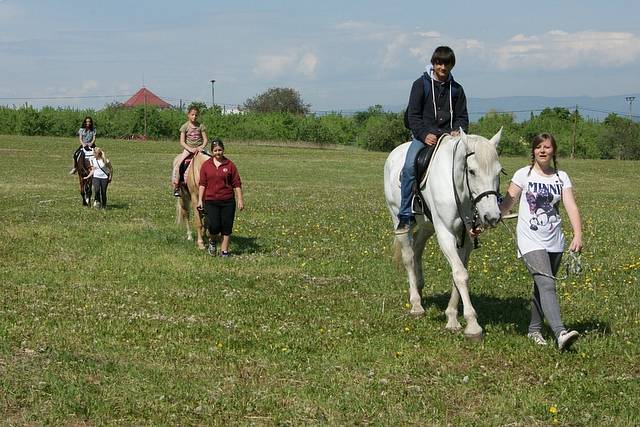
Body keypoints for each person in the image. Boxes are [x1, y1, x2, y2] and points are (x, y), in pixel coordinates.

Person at [499, 133, 583, 351]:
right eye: (538, 147)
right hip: (530, 240)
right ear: (533, 151)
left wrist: (577, 234)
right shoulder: (522, 174)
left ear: (553, 150)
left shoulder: (561, 177)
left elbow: (571, 206)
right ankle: (560, 332)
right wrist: (484, 222)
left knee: (541, 286)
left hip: (555, 240)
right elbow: (507, 204)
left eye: (547, 147)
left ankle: (534, 330)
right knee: (547, 283)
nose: (542, 151)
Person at [398, 46, 469, 233]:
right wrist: (423, 134)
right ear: (433, 63)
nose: (442, 67)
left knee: (473, 163)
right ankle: (406, 214)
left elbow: (462, 117)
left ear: (452, 65)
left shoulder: (457, 89)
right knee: (409, 165)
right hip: (425, 136)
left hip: (449, 138)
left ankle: (476, 209)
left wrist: (457, 131)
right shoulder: (420, 85)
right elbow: (413, 116)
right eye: (439, 63)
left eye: (446, 63)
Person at [197, 139, 244, 257]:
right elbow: (202, 184)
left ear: (223, 150)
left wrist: (240, 199)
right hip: (211, 200)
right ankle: (212, 241)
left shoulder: (230, 165)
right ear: (212, 151)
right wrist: (199, 200)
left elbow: (237, 183)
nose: (218, 152)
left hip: (227, 200)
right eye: (215, 150)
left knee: (227, 227)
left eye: (220, 150)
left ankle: (224, 251)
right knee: (214, 226)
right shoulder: (206, 166)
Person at [172, 106, 208, 196]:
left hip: (199, 149)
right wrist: (190, 149)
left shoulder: (201, 126)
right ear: (188, 115)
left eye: (196, 115)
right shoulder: (185, 127)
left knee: (211, 161)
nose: (194, 117)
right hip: (188, 149)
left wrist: (201, 147)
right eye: (192, 115)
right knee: (179, 164)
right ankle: (177, 185)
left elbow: (205, 140)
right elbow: (182, 141)